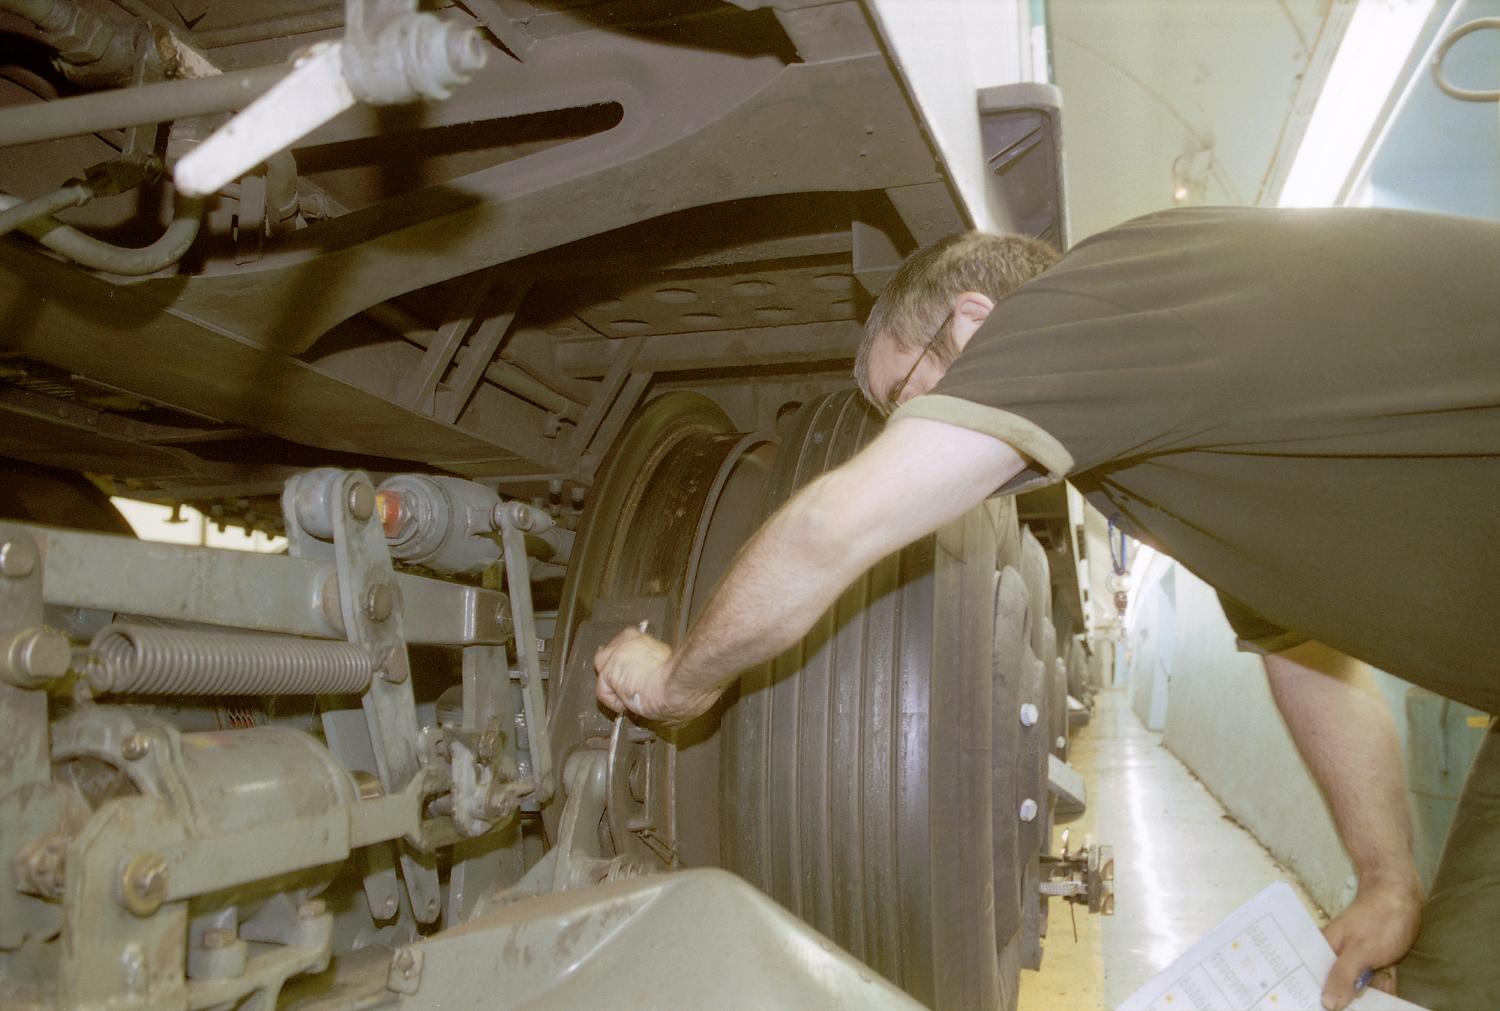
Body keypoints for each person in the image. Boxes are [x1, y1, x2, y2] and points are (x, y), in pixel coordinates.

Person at [593, 206, 1500, 1011]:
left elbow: (832, 525)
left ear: (975, 321)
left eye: (906, 395)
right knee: (1449, 986)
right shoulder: (1173, 454)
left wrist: (678, 680)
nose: (909, 428)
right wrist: (1388, 878)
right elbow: (1307, 655)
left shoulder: (1092, 301)